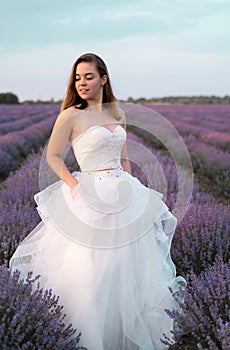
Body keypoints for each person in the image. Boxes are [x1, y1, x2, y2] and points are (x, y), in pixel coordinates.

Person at [9, 53, 186, 349]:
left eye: (88, 77)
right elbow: (52, 156)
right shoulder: (70, 115)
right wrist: (73, 185)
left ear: (103, 78)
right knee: (91, 271)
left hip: (123, 192)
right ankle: (89, 337)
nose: (82, 83)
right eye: (77, 78)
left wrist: (132, 187)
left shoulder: (117, 112)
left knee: (128, 269)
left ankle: (120, 334)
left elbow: (124, 156)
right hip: (89, 194)